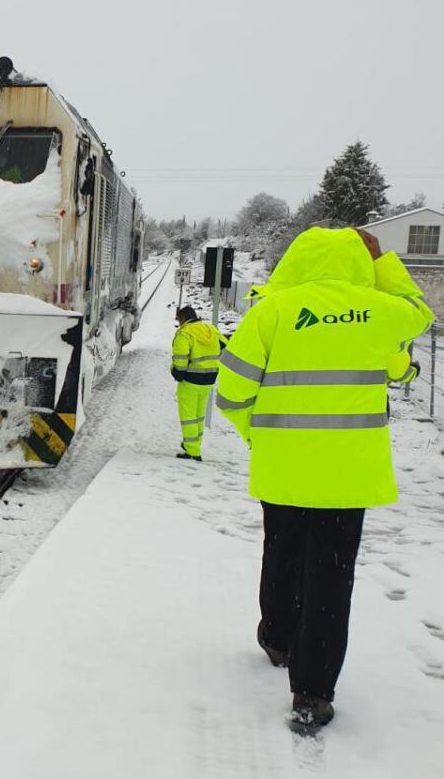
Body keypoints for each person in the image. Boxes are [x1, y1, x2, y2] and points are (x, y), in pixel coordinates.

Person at [216, 226, 434, 730]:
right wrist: (382, 263)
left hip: (284, 469)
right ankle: (312, 694)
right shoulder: (378, 312)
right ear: (360, 262)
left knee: (283, 552)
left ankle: (276, 638)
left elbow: (230, 394)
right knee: (332, 579)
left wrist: (261, 436)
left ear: (296, 260)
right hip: (347, 476)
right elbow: (418, 312)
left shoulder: (271, 311)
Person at [170, 305, 226, 461]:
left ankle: (192, 451)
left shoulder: (184, 333)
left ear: (182, 318)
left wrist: (177, 374)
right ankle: (195, 443)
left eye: (178, 320)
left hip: (190, 380)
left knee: (188, 417)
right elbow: (226, 346)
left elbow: (180, 361)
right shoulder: (211, 329)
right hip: (209, 380)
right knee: (199, 416)